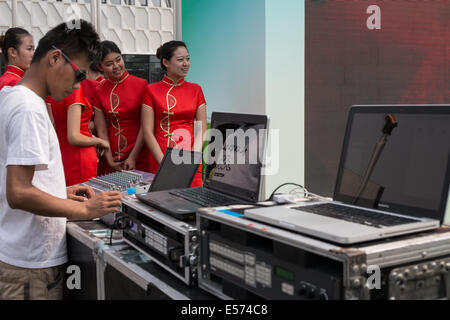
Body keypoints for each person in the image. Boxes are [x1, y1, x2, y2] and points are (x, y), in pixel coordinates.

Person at [0, 20, 122, 300]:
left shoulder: (14, 97)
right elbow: (18, 192)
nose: (78, 85)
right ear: (55, 58)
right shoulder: (28, 108)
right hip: (29, 267)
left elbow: (19, 179)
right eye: (79, 75)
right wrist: (86, 210)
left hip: (24, 259)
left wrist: (59, 193)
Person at [142, 41, 207, 187]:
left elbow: (201, 129)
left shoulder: (196, 90)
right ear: (165, 62)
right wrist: (164, 164)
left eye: (188, 59)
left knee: (192, 203)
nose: (186, 64)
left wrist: (193, 159)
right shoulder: (151, 90)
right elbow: (147, 131)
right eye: (180, 60)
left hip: (190, 157)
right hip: (160, 156)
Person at [93, 41, 150, 173]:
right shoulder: (99, 90)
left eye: (118, 60)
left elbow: (145, 126)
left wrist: (133, 156)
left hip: (139, 152)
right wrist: (110, 160)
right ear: (100, 67)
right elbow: (101, 130)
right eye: (109, 64)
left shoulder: (141, 85)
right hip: (111, 154)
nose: (116, 66)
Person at [46, 85, 110, 186]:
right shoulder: (74, 89)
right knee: (82, 197)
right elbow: (74, 137)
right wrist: (100, 141)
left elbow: (53, 125)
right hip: (79, 155)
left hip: (62, 152)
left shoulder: (53, 89)